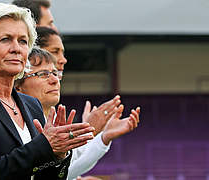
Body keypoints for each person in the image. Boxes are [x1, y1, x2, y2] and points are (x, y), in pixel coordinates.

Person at [0, 3, 95, 180]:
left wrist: (58, 156)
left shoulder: (31, 104)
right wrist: (44, 147)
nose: (16, 48)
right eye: (5, 39)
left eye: (23, 41)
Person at [15, 47, 140, 179]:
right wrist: (88, 130)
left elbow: (63, 170)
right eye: (43, 74)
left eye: (55, 73)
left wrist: (102, 138)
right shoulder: (14, 124)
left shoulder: (52, 117)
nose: (54, 80)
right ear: (17, 86)